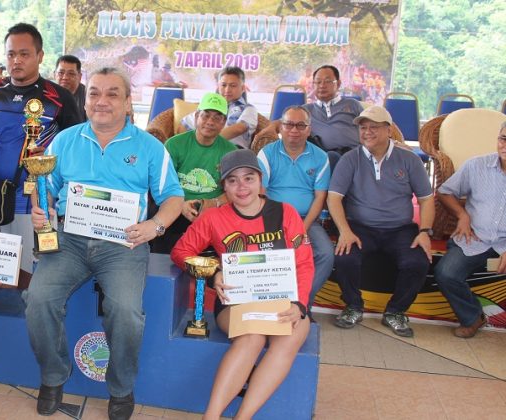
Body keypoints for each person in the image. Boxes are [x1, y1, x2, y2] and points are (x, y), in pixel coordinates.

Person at [20, 67, 183, 420]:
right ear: (85, 99)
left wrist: (155, 226)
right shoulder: (64, 141)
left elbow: (173, 197)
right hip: (70, 240)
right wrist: (43, 210)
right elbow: (45, 189)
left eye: (112, 93)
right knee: (38, 300)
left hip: (123, 245)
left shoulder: (150, 147)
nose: (101, 101)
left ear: (128, 103)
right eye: (94, 93)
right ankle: (53, 377)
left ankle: (121, 388)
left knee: (125, 311)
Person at [171, 149, 313, 420]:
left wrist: (300, 305)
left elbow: (304, 263)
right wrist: (214, 273)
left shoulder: (285, 213)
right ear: (223, 186)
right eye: (232, 180)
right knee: (252, 336)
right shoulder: (213, 218)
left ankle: (243, 416)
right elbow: (180, 252)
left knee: (291, 335)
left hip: (284, 297)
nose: (242, 187)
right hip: (236, 301)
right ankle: (211, 416)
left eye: (248, 178)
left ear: (260, 180)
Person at [0, 22, 82, 280]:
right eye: (11, 54)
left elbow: (75, 151)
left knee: (34, 275)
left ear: (40, 56)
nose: (16, 60)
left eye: (24, 54)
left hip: (39, 203)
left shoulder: (59, 97)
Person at [328, 105, 433, 337]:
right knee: (345, 258)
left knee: (417, 262)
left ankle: (395, 311)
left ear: (389, 129)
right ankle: (353, 306)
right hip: (360, 227)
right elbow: (334, 198)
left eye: (373, 127)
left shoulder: (409, 159)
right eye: (363, 128)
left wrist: (425, 231)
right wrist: (344, 230)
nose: (367, 132)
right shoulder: (350, 159)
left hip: (400, 229)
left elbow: (426, 199)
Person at [433, 123, 506, 338]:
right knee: (446, 273)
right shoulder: (477, 166)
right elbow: (444, 192)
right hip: (475, 237)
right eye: (503, 138)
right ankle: (472, 316)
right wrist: (462, 215)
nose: (505, 145)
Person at [257, 106, 333, 313]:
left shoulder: (320, 157)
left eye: (301, 125)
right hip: (273, 217)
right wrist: (276, 225)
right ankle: (271, 305)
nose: (294, 130)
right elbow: (261, 193)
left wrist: (301, 228)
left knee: (326, 254)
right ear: (281, 127)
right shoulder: (267, 153)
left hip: (306, 219)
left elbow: (320, 197)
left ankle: (301, 304)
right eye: (289, 124)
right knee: (271, 251)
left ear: (309, 129)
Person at [153, 92, 236, 253]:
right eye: (206, 115)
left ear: (224, 122)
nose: (210, 122)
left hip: (213, 210)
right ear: (197, 116)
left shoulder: (231, 152)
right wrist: (179, 205)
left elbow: (234, 191)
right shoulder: (174, 144)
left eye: (217, 118)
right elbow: (160, 184)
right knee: (164, 246)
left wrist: (213, 203)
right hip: (175, 206)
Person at [256, 65, 363, 168]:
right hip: (322, 157)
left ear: (338, 84)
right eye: (318, 82)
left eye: (327, 81)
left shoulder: (353, 105)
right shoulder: (306, 110)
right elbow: (282, 123)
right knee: (330, 157)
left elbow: (368, 125)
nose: (322, 85)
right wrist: (269, 129)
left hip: (354, 155)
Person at [178, 66, 257, 149]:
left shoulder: (249, 109)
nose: (227, 90)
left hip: (232, 150)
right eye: (223, 85)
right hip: (202, 150)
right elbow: (184, 124)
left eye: (233, 86)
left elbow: (239, 129)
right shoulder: (207, 107)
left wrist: (206, 142)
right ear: (218, 87)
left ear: (243, 88)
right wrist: (188, 147)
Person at [54, 55, 86, 121]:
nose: (65, 77)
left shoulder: (88, 96)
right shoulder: (45, 93)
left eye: (71, 74)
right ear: (54, 74)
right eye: (61, 73)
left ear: (79, 77)